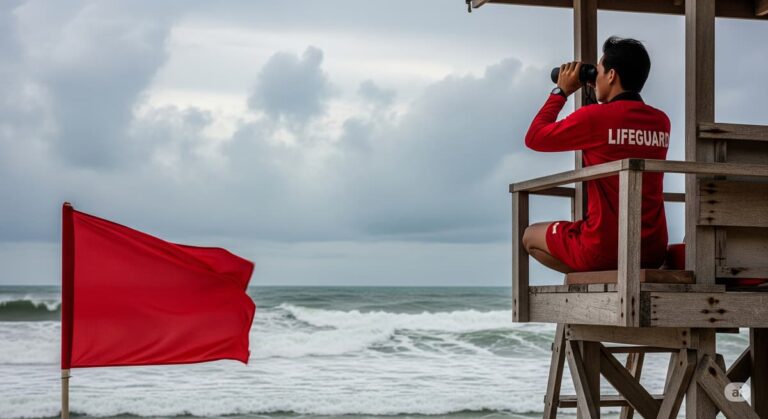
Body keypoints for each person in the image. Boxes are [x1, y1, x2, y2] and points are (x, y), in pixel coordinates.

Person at [522, 36, 670, 273]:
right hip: (652, 250)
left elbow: (534, 138)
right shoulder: (661, 122)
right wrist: (599, 91)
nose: (596, 76)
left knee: (530, 236)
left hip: (603, 248)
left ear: (611, 75)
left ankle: (591, 275)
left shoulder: (593, 118)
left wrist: (560, 91)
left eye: (599, 70)